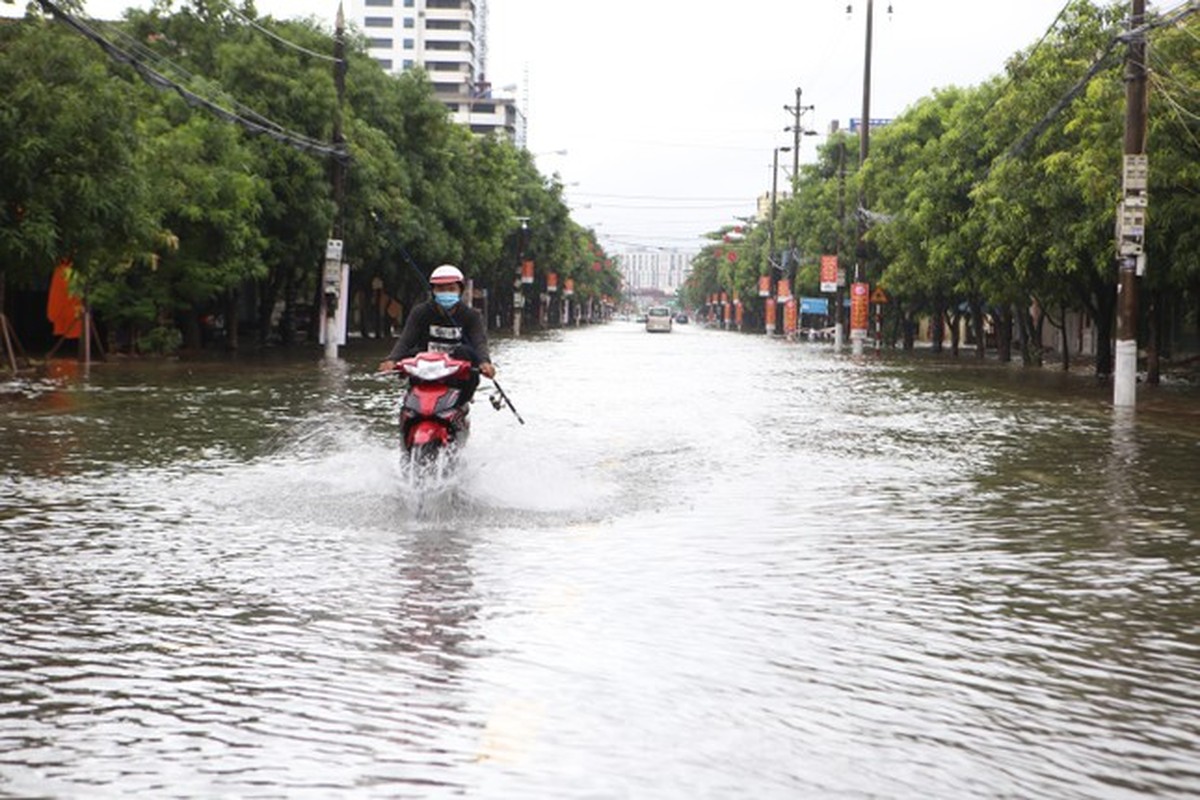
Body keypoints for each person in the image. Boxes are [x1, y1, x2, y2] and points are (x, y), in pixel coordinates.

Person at [378, 264, 496, 403]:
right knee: (412, 355)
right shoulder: (420, 312)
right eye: (440, 289)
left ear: (460, 290)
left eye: (451, 289)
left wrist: (485, 362)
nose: (446, 293)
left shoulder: (471, 316)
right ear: (433, 291)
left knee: (465, 352)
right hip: (425, 368)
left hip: (457, 374)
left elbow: (479, 342)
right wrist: (392, 360)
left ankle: (463, 401)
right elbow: (406, 340)